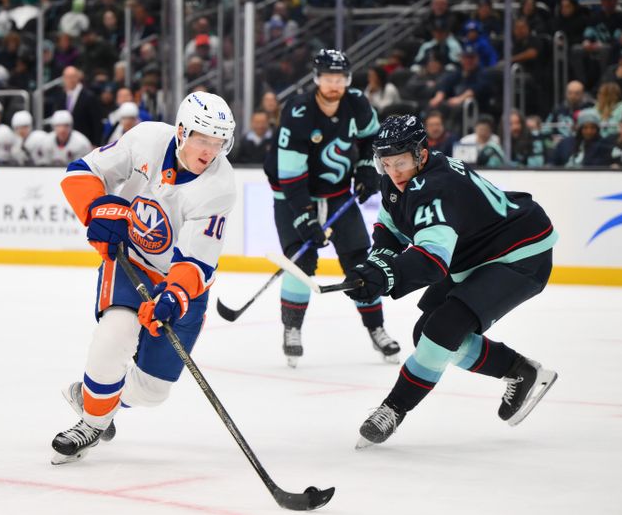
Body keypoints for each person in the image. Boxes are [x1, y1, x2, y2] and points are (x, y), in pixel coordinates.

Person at [343, 115, 559, 447]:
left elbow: (431, 261)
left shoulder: (435, 189)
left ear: (421, 154)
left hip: (521, 254)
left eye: (400, 162)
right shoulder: (395, 180)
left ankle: (393, 409)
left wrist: (386, 276)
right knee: (427, 334)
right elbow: (390, 235)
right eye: (385, 163)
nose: (393, 172)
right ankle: (520, 370)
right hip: (476, 254)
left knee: (441, 331)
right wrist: (374, 267)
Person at [50, 91, 236, 464]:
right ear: (182, 131)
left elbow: (196, 263)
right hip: (130, 261)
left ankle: (92, 397)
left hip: (180, 282)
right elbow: (83, 172)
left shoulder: (219, 187)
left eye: (219, 142)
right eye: (203, 139)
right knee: (113, 336)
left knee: (153, 390)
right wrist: (97, 210)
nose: (210, 151)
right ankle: (90, 423)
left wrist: (172, 297)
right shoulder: (147, 138)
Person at [263, 49, 399, 368]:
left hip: (338, 194)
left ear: (348, 80)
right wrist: (306, 218)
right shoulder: (298, 112)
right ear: (317, 79)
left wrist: (367, 168)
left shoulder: (357, 103)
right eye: (328, 78)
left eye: (339, 78)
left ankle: (376, 328)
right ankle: (292, 330)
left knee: (360, 261)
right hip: (291, 194)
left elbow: (372, 140)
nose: (334, 85)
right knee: (302, 259)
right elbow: (291, 177)